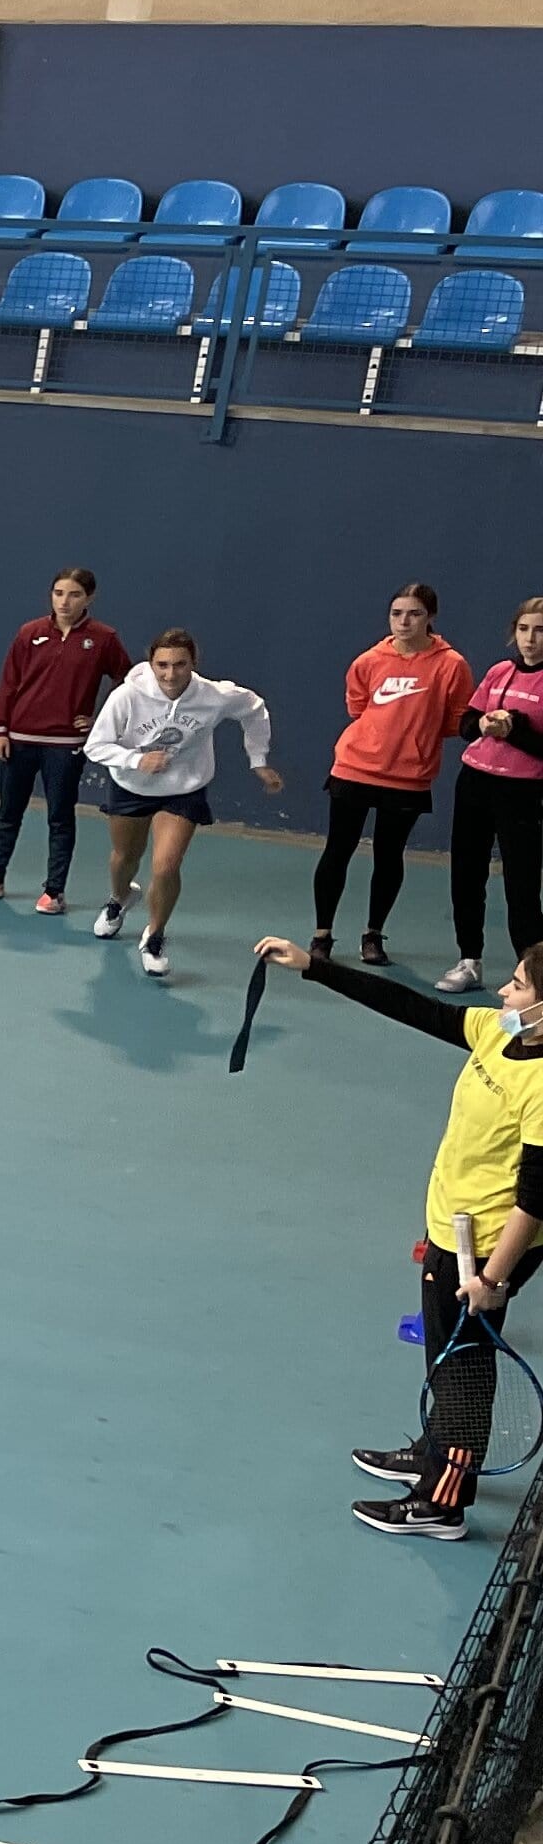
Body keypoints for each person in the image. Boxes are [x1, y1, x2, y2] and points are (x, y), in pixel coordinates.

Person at [250, 933, 543, 1542]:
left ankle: (443, 1502)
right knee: (443, 1350)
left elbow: (537, 1199)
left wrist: (491, 1280)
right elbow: (413, 1008)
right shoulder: (499, 1031)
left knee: (463, 1367)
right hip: (452, 1221)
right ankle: (435, 1453)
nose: (505, 990)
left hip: (485, 1246)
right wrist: (313, 968)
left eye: (519, 984)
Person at [86, 631, 278, 980]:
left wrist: (258, 760)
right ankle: (120, 899)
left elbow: (254, 709)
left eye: (179, 665)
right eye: (162, 665)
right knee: (125, 858)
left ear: (194, 663)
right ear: (151, 663)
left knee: (166, 865)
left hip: (183, 789)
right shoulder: (127, 696)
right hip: (131, 786)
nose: (170, 674)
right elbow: (95, 746)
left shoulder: (215, 696)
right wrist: (135, 760)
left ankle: (154, 936)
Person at [312, 586, 471, 967]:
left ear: (430, 617)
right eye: (397, 613)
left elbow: (456, 719)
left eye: (414, 614)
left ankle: (373, 935)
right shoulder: (368, 661)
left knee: (388, 855)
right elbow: (358, 708)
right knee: (338, 850)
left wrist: (413, 741)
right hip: (354, 768)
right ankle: (322, 935)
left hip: (408, 778)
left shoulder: (451, 666)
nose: (404, 621)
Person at [0, 568, 128, 912]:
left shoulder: (103, 638)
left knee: (60, 816)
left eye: (74, 595)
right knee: (8, 813)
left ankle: (54, 892)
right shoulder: (30, 633)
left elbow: (128, 684)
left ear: (89, 598)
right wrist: (0, 730)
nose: (64, 602)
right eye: (58, 594)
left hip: (65, 746)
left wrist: (99, 722)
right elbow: (8, 683)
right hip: (19, 740)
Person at [446, 599, 543, 995]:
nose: (531, 640)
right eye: (524, 630)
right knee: (467, 875)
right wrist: (484, 722)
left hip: (522, 792)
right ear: (513, 632)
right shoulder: (499, 672)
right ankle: (469, 960)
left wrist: (514, 730)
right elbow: (467, 723)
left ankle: (533, 974)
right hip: (475, 783)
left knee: (521, 886)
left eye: (540, 631)